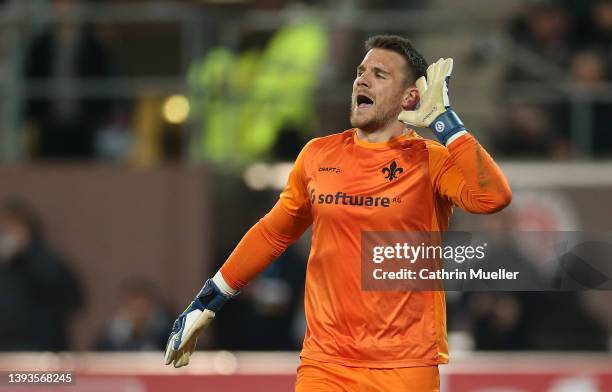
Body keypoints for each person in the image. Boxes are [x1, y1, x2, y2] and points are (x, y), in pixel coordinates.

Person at [164, 35, 512, 391]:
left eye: (380, 74)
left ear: (410, 97)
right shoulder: (319, 155)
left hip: (404, 365)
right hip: (326, 364)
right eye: (361, 71)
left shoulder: (429, 160)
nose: (362, 80)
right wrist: (208, 300)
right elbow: (273, 233)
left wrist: (445, 121)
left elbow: (493, 197)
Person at [0, 199, 83, 351]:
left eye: (11, 227)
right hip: (5, 352)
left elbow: (73, 299)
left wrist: (27, 253)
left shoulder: (47, 261)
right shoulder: (4, 267)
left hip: (41, 353)